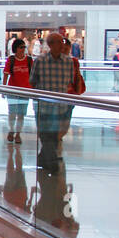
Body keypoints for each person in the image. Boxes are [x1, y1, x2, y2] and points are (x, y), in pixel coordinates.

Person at [29, 32, 82, 169]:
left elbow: (70, 81)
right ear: (51, 45)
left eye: (62, 43)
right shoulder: (40, 61)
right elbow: (33, 81)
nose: (61, 46)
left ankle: (47, 159)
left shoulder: (68, 62)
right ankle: (49, 160)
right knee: (45, 133)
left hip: (60, 105)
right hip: (43, 105)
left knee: (53, 134)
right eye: (58, 43)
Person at [3, 37, 33, 143]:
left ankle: (18, 134)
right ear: (16, 48)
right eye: (21, 47)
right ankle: (11, 130)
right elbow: (6, 74)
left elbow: (33, 76)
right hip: (12, 90)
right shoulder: (11, 60)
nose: (23, 49)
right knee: (12, 113)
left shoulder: (29, 60)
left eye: (24, 47)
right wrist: (4, 89)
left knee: (21, 114)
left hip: (25, 91)